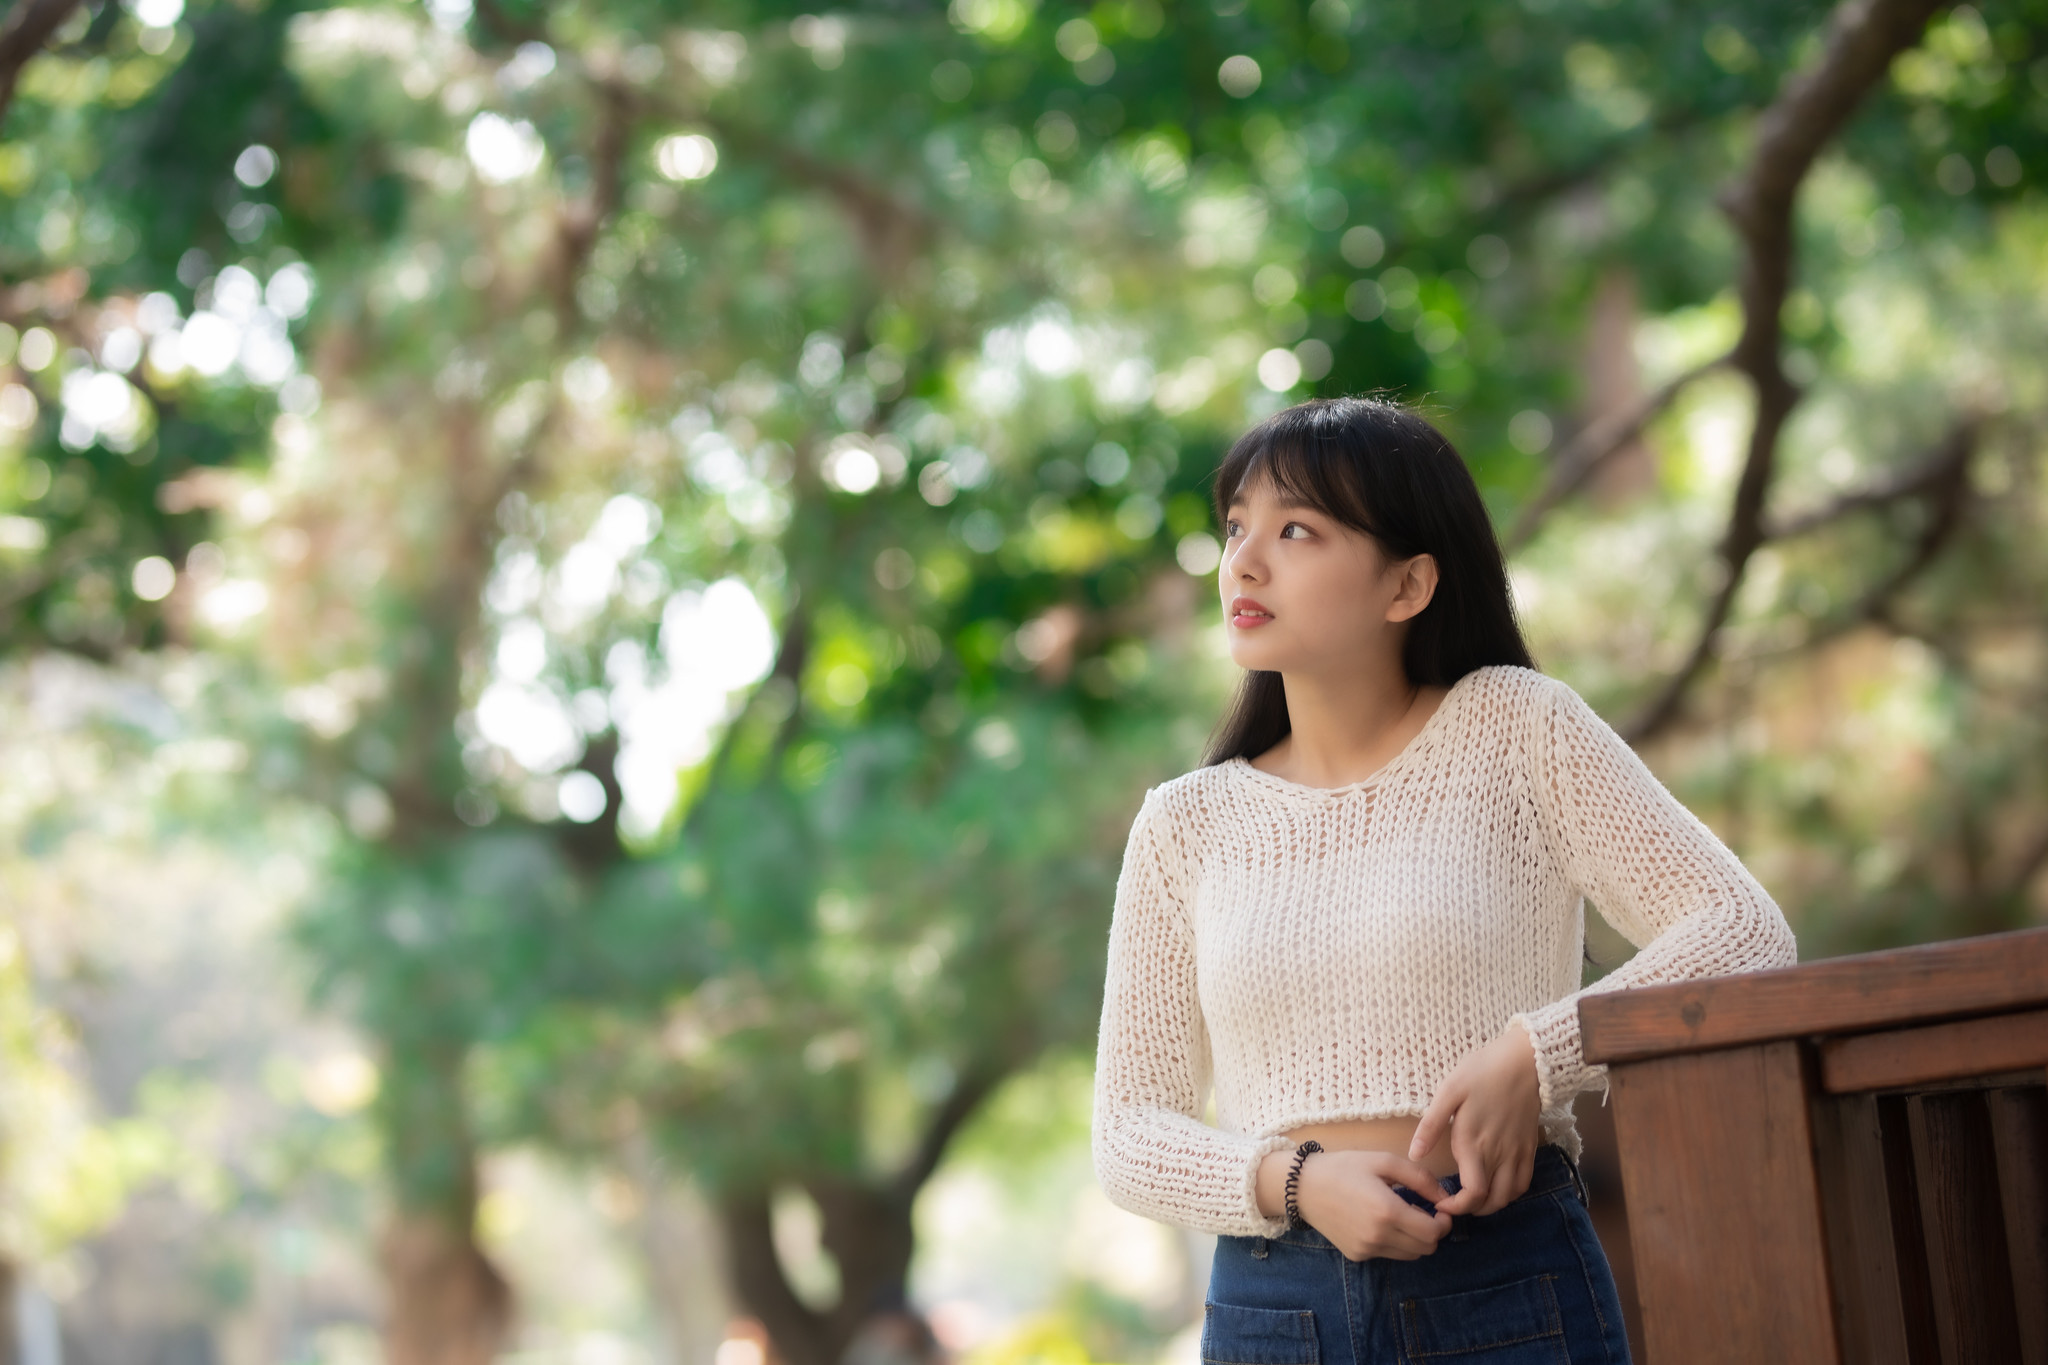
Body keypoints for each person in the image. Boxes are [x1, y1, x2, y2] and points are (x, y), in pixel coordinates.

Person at [1089, 396, 1798, 1364]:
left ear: (1407, 584)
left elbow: (1743, 932)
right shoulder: (1187, 823)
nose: (1243, 563)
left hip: (1500, 1280)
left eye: (1295, 529)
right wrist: (1294, 1181)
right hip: (1271, 1311)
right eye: (1235, 528)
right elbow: (1128, 1132)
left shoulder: (1516, 729)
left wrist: (1536, 1054)